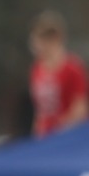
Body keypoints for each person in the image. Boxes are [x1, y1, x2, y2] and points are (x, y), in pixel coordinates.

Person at [29, 10, 88, 138]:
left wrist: (60, 130)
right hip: (46, 137)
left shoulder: (72, 68)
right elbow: (40, 111)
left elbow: (80, 108)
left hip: (67, 136)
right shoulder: (37, 70)